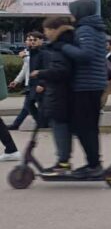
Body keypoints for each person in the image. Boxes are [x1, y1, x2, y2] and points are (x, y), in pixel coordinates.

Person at [60, 0, 108, 175]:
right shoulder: (96, 29)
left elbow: (86, 54)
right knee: (88, 127)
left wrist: (64, 47)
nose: (71, 15)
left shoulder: (85, 30)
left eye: (73, 11)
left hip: (86, 85)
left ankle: (94, 165)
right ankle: (94, 163)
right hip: (93, 84)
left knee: (84, 127)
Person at [30, 16, 77, 172]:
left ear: (54, 30)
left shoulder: (60, 46)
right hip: (61, 94)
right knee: (61, 127)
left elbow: (61, 71)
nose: (45, 33)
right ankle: (63, 161)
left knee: (60, 127)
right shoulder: (63, 44)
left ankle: (63, 162)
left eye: (47, 30)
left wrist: (41, 74)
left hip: (61, 95)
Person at [9, 32, 45, 130]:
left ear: (41, 40)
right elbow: (25, 68)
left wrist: (42, 84)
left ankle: (42, 123)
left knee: (31, 105)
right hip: (30, 84)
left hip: (38, 84)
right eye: (29, 40)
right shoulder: (27, 52)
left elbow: (43, 68)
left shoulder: (42, 52)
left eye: (34, 40)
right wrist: (16, 81)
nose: (31, 42)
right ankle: (41, 123)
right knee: (28, 106)